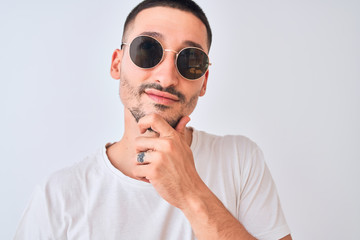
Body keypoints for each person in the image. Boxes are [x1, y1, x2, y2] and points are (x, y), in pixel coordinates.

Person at [15, 0, 292, 239]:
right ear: (116, 64)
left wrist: (191, 193)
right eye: (147, 49)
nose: (167, 77)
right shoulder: (58, 197)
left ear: (204, 81)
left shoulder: (239, 160)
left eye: (190, 60)